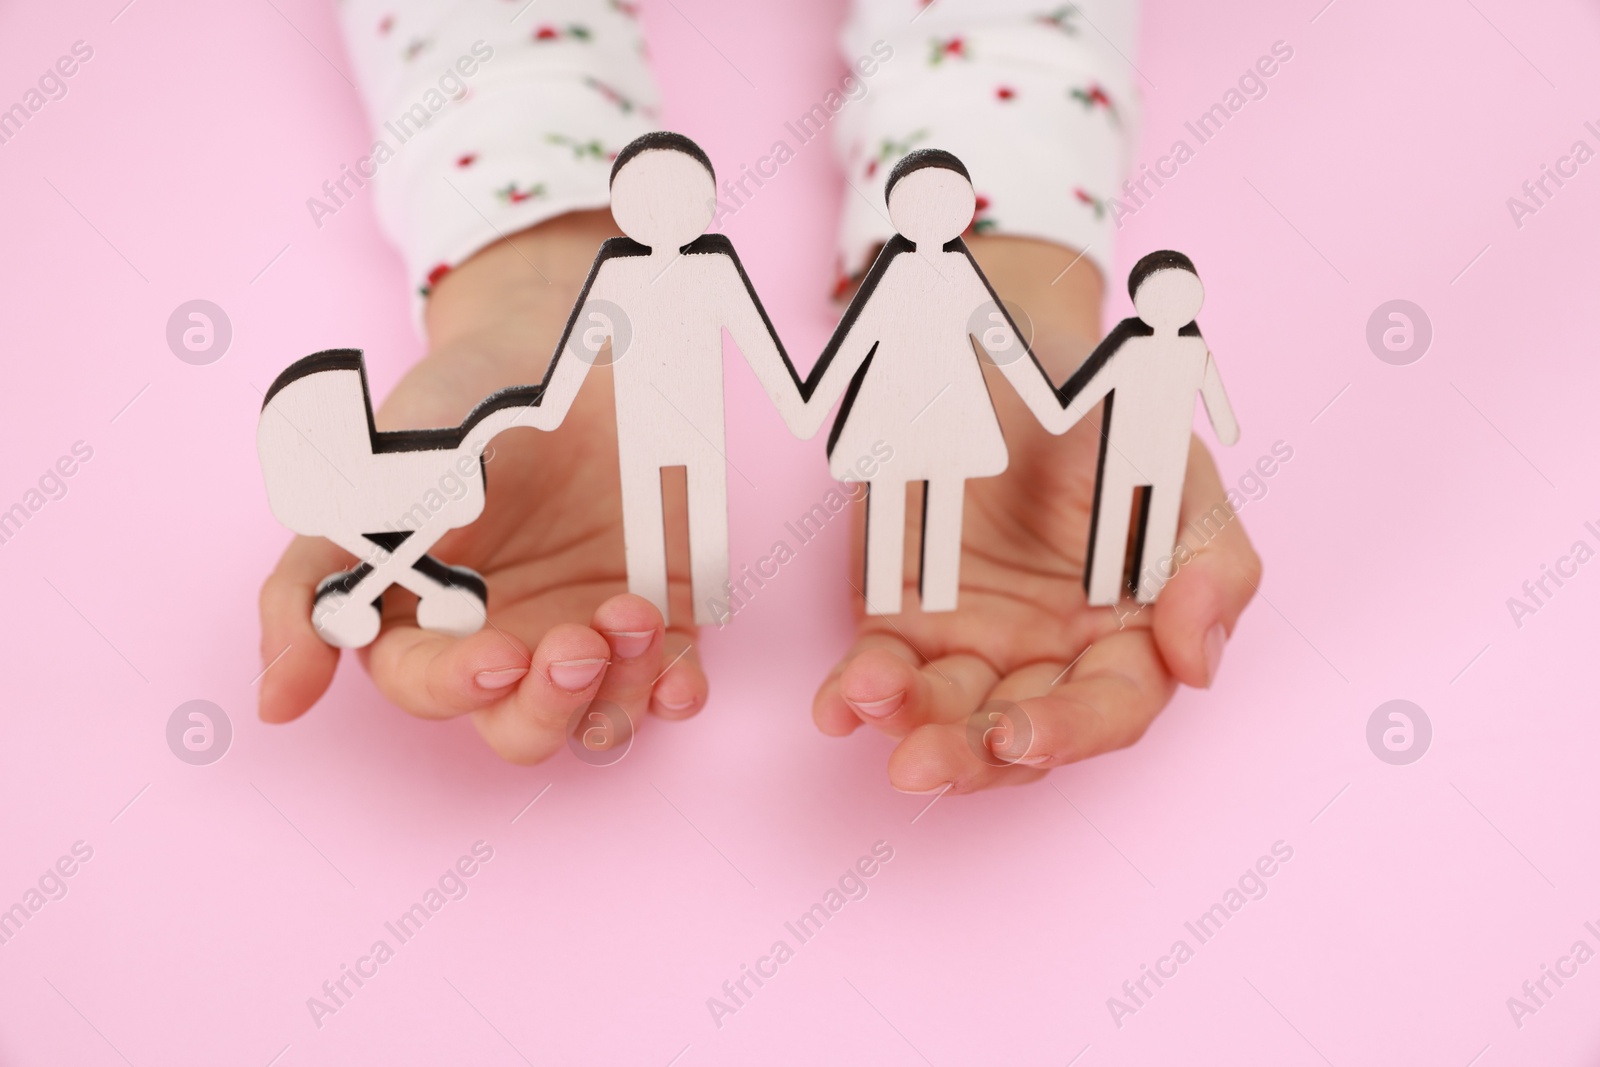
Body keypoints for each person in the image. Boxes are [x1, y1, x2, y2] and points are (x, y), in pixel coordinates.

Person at [258, 0, 1261, 791]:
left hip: (901, 405)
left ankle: (739, 566)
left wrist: (1008, 276)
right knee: (677, 526)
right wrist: (525, 306)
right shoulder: (642, 275)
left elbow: (785, 326)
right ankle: (693, 567)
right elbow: (596, 350)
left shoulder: (862, 276)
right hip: (667, 405)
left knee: (841, 502)